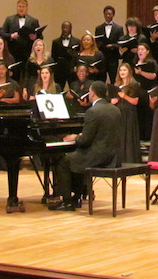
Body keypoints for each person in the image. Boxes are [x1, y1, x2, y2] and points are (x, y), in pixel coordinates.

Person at [48, 81, 123, 211]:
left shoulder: (93, 111)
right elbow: (102, 132)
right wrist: (82, 135)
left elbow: (85, 141)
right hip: (113, 155)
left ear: (92, 93)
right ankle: (77, 196)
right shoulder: (114, 109)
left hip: (98, 156)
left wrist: (75, 137)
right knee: (76, 157)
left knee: (64, 160)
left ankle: (67, 201)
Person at [112, 63, 141, 163]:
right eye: (120, 70)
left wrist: (124, 96)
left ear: (129, 71)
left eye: (124, 70)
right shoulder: (116, 85)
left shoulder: (134, 84)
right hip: (119, 112)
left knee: (128, 136)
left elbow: (135, 101)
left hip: (129, 113)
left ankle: (129, 159)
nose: (122, 72)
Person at [0, 0, 41, 69]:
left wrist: (35, 37)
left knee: (28, 72)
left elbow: (40, 36)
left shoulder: (33, 21)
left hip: (28, 52)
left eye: (23, 7)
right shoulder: (9, 19)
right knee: (15, 73)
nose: (21, 8)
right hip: (13, 51)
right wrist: (11, 36)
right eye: (19, 6)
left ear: (27, 8)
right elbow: (1, 33)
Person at [95, 5, 124, 83]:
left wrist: (112, 45)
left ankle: (112, 94)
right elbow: (96, 42)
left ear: (113, 15)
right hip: (102, 57)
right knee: (101, 78)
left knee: (113, 79)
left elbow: (121, 43)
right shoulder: (98, 28)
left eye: (109, 14)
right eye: (106, 14)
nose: (108, 16)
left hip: (113, 57)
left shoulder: (119, 28)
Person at [51, 21, 81, 89]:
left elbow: (79, 57)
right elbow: (53, 56)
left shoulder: (77, 41)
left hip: (72, 69)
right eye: (63, 28)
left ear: (71, 28)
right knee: (58, 89)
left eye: (67, 28)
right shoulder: (55, 42)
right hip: (59, 70)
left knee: (74, 89)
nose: (65, 29)